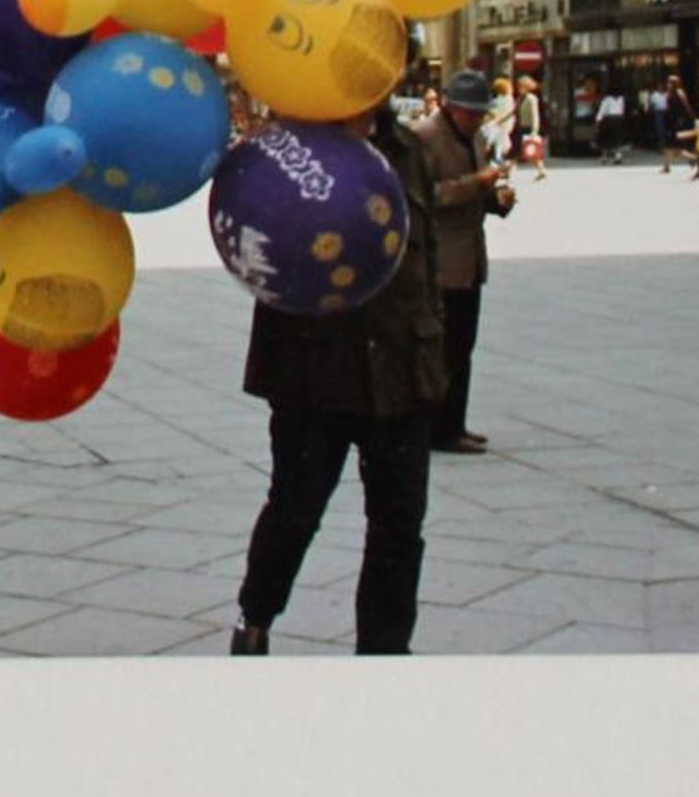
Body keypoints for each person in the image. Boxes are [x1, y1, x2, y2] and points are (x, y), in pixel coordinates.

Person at [230, 98, 448, 656]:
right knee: (294, 512)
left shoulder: (410, 150)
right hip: (313, 370)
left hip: (400, 368)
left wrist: (433, 344)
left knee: (400, 528)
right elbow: (259, 258)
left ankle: (384, 652)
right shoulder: (287, 151)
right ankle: (254, 620)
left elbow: (426, 258)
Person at [412, 69, 516, 454]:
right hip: (442, 263)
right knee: (442, 351)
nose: (476, 120)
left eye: (480, 114)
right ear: (450, 107)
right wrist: (478, 184)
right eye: (470, 113)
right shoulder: (425, 138)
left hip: (470, 259)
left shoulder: (474, 138)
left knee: (463, 347)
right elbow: (424, 195)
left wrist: (496, 200)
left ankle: (455, 422)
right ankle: (437, 427)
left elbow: (476, 189)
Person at [514, 74, 550, 179]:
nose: (519, 88)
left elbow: (535, 115)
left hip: (529, 127)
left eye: (520, 86)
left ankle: (541, 170)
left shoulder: (531, 98)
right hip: (522, 126)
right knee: (526, 150)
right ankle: (541, 170)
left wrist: (534, 131)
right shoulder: (520, 98)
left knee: (528, 150)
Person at [661, 75, 693, 173]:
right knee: (670, 145)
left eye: (669, 83)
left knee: (674, 146)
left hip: (677, 122)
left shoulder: (679, 93)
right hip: (671, 122)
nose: (668, 84)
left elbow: (686, 107)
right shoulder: (670, 94)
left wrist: (690, 118)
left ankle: (693, 159)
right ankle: (667, 166)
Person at [595, 86, 627, 165]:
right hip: (618, 120)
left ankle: (604, 157)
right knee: (617, 139)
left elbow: (602, 110)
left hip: (608, 120)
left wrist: (598, 120)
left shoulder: (607, 99)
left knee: (605, 139)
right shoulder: (621, 99)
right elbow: (622, 110)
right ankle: (618, 157)